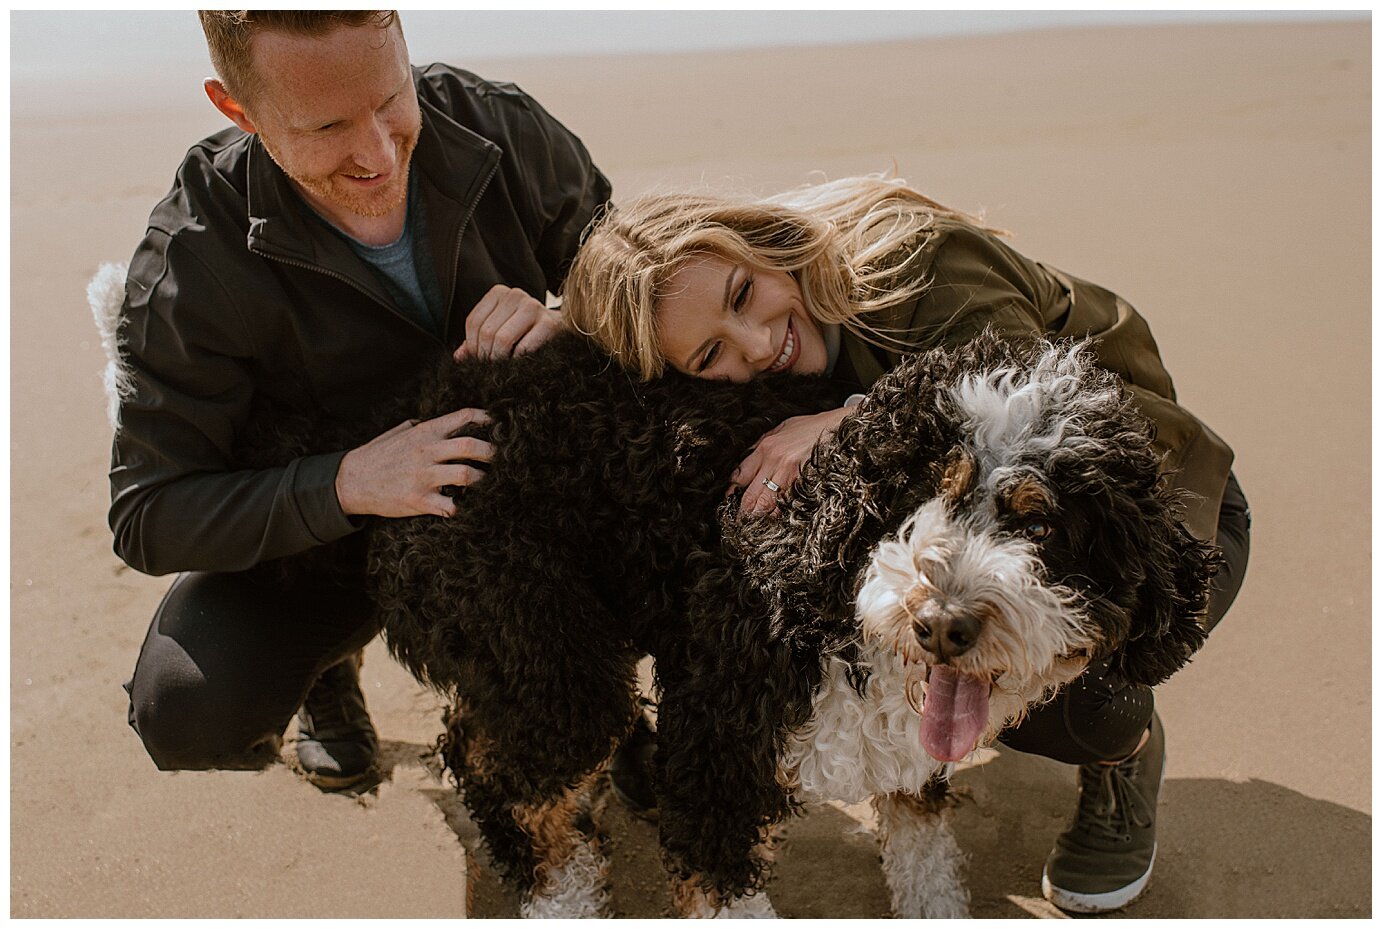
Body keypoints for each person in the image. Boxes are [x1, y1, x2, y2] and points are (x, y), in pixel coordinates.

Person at [561, 174, 1251, 914]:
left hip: (1144, 520)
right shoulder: (745, 354)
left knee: (1074, 706)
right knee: (924, 643)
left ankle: (1124, 753)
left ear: (760, 243)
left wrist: (849, 419)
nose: (757, 344)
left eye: (741, 295)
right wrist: (547, 324)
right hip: (970, 528)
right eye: (710, 356)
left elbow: (1023, 416)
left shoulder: (921, 267)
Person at [111, 11, 611, 792]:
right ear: (237, 111)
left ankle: (611, 710)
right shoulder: (190, 256)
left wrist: (573, 318)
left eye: (390, 101)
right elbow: (148, 513)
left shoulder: (498, 125)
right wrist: (346, 482)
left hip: (515, 498)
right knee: (188, 705)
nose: (378, 153)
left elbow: (645, 274)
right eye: (326, 125)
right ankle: (327, 675)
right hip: (328, 543)